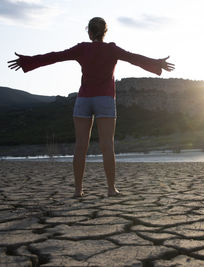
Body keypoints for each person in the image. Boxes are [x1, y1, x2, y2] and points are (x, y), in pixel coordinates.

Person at [8, 17, 175, 197]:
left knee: (80, 146)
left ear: (89, 32)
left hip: (84, 99)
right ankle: (111, 189)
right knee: (107, 146)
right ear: (105, 32)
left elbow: (55, 56)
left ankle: (78, 190)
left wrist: (27, 61)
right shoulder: (111, 49)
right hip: (105, 99)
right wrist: (158, 63)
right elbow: (134, 58)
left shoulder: (82, 48)